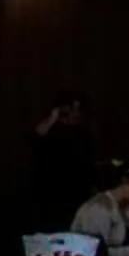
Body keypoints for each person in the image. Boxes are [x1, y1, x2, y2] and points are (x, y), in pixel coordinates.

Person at [29, 91, 97, 231]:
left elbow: (89, 165)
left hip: (76, 195)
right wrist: (53, 117)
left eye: (78, 109)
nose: (75, 113)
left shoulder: (84, 135)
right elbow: (34, 138)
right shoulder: (52, 131)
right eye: (71, 109)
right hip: (49, 195)